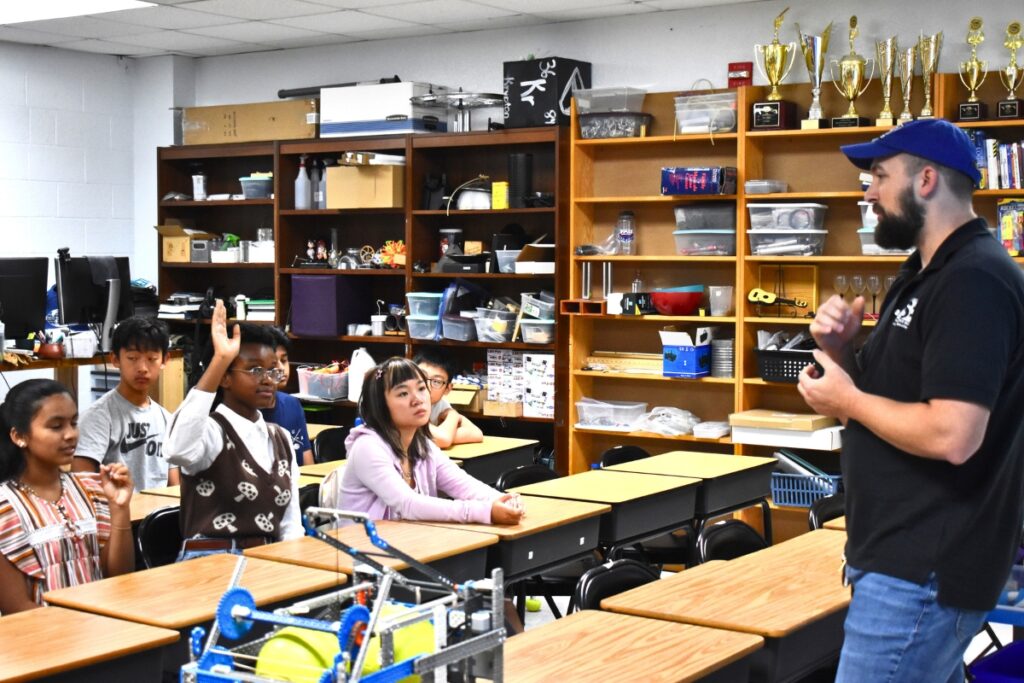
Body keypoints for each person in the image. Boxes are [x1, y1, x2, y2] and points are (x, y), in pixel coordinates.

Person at [797, 119, 1024, 682]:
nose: (867, 191)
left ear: (926, 180)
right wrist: (841, 350)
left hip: (925, 569)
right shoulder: (922, 274)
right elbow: (883, 403)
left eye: (879, 175)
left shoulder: (974, 281)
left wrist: (847, 400)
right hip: (898, 558)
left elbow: (953, 434)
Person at [164, 300, 302, 560]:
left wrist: (293, 571)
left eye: (272, 369)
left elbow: (290, 525)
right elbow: (177, 449)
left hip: (267, 562)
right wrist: (220, 360)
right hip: (210, 567)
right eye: (254, 369)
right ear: (225, 378)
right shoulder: (213, 431)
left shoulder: (280, 438)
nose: (267, 378)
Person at [319, 357, 523, 526]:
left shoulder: (423, 445)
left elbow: (464, 486)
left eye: (421, 388)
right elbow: (408, 504)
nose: (417, 399)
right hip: (366, 558)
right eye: (403, 393)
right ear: (380, 405)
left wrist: (501, 500)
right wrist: (484, 512)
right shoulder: (368, 447)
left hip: (411, 545)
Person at [0, 379, 134, 613]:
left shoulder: (90, 489)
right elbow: (18, 608)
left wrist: (120, 509)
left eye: (73, 423)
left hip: (105, 627)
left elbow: (119, 578)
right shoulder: (6, 507)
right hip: (45, 640)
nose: (71, 435)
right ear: (19, 436)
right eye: (56, 426)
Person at [72, 316, 179, 490]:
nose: (143, 368)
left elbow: (174, 487)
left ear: (165, 360)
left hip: (157, 515)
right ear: (115, 359)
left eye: (151, 359)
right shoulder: (98, 418)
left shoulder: (167, 419)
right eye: (132, 358)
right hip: (115, 513)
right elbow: (82, 486)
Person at [260, 326, 313, 466]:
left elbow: (306, 459)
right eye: (273, 364)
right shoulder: (248, 411)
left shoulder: (292, 404)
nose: (281, 369)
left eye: (283, 361)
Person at [413, 349, 483, 449]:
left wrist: (443, 437)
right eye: (422, 376)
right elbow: (443, 439)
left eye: (436, 382)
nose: (427, 386)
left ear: (448, 389)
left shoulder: (440, 404)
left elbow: (476, 433)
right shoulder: (406, 404)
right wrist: (453, 415)